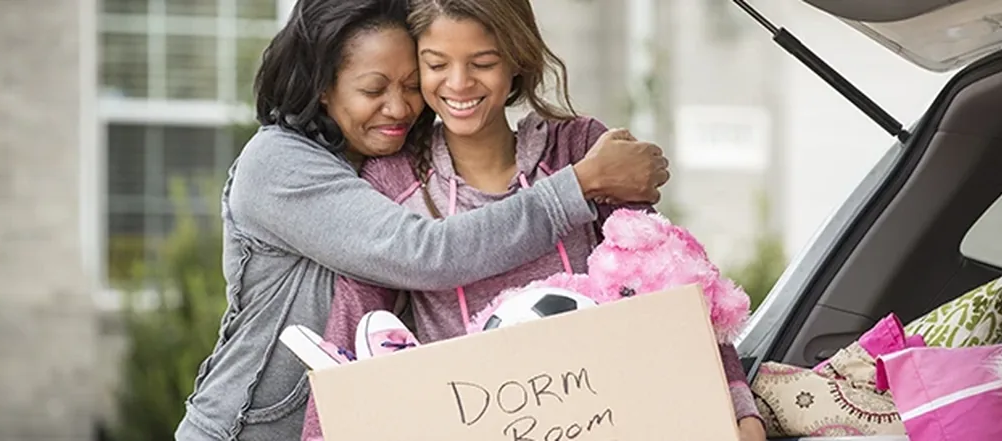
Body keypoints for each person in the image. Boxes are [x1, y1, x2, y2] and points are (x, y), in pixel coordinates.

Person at [174, 0, 670, 439]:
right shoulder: (278, 164)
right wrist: (579, 185)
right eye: (373, 89)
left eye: (411, 84)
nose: (400, 107)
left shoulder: (387, 165)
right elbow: (425, 253)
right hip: (243, 430)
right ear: (322, 88)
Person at [298, 1, 768, 440]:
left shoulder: (578, 149)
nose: (459, 83)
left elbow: (669, 279)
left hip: (612, 420)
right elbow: (351, 329)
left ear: (516, 59)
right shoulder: (393, 179)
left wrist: (736, 403)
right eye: (437, 64)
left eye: (482, 63)